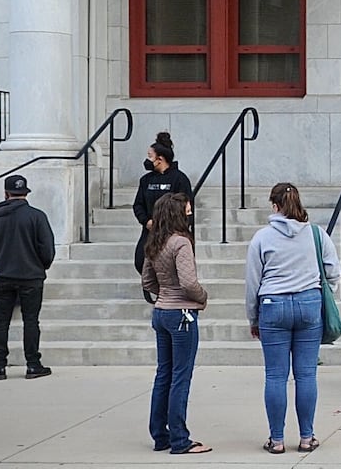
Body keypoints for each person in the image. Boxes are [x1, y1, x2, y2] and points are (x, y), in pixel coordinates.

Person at [245, 182, 339, 455]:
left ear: (274, 206)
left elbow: (253, 282)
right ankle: (307, 437)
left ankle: (276, 440)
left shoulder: (262, 237)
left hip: (273, 305)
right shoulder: (316, 234)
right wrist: (322, 293)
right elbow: (333, 270)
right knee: (306, 374)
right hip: (309, 302)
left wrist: (253, 317)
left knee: (275, 375)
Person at [142, 193, 209, 456]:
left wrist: (165, 293)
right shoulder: (181, 242)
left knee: (164, 374)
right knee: (181, 376)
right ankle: (180, 439)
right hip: (182, 313)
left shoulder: (155, 241)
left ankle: (160, 435)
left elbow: (147, 281)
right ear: (177, 214)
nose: (190, 215)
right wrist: (202, 297)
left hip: (161, 311)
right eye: (187, 211)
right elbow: (189, 283)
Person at [0, 174, 57, 381]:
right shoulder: (37, 216)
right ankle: (33, 364)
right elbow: (47, 249)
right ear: (26, 193)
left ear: (6, 194)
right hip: (31, 276)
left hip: (3, 275)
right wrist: (41, 266)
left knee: (1, 321)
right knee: (31, 321)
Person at [133, 134, 193, 276]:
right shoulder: (145, 180)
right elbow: (138, 204)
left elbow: (188, 209)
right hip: (150, 231)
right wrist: (146, 221)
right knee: (140, 261)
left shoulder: (180, 179)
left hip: (172, 232)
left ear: (160, 159)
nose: (147, 160)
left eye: (150, 156)